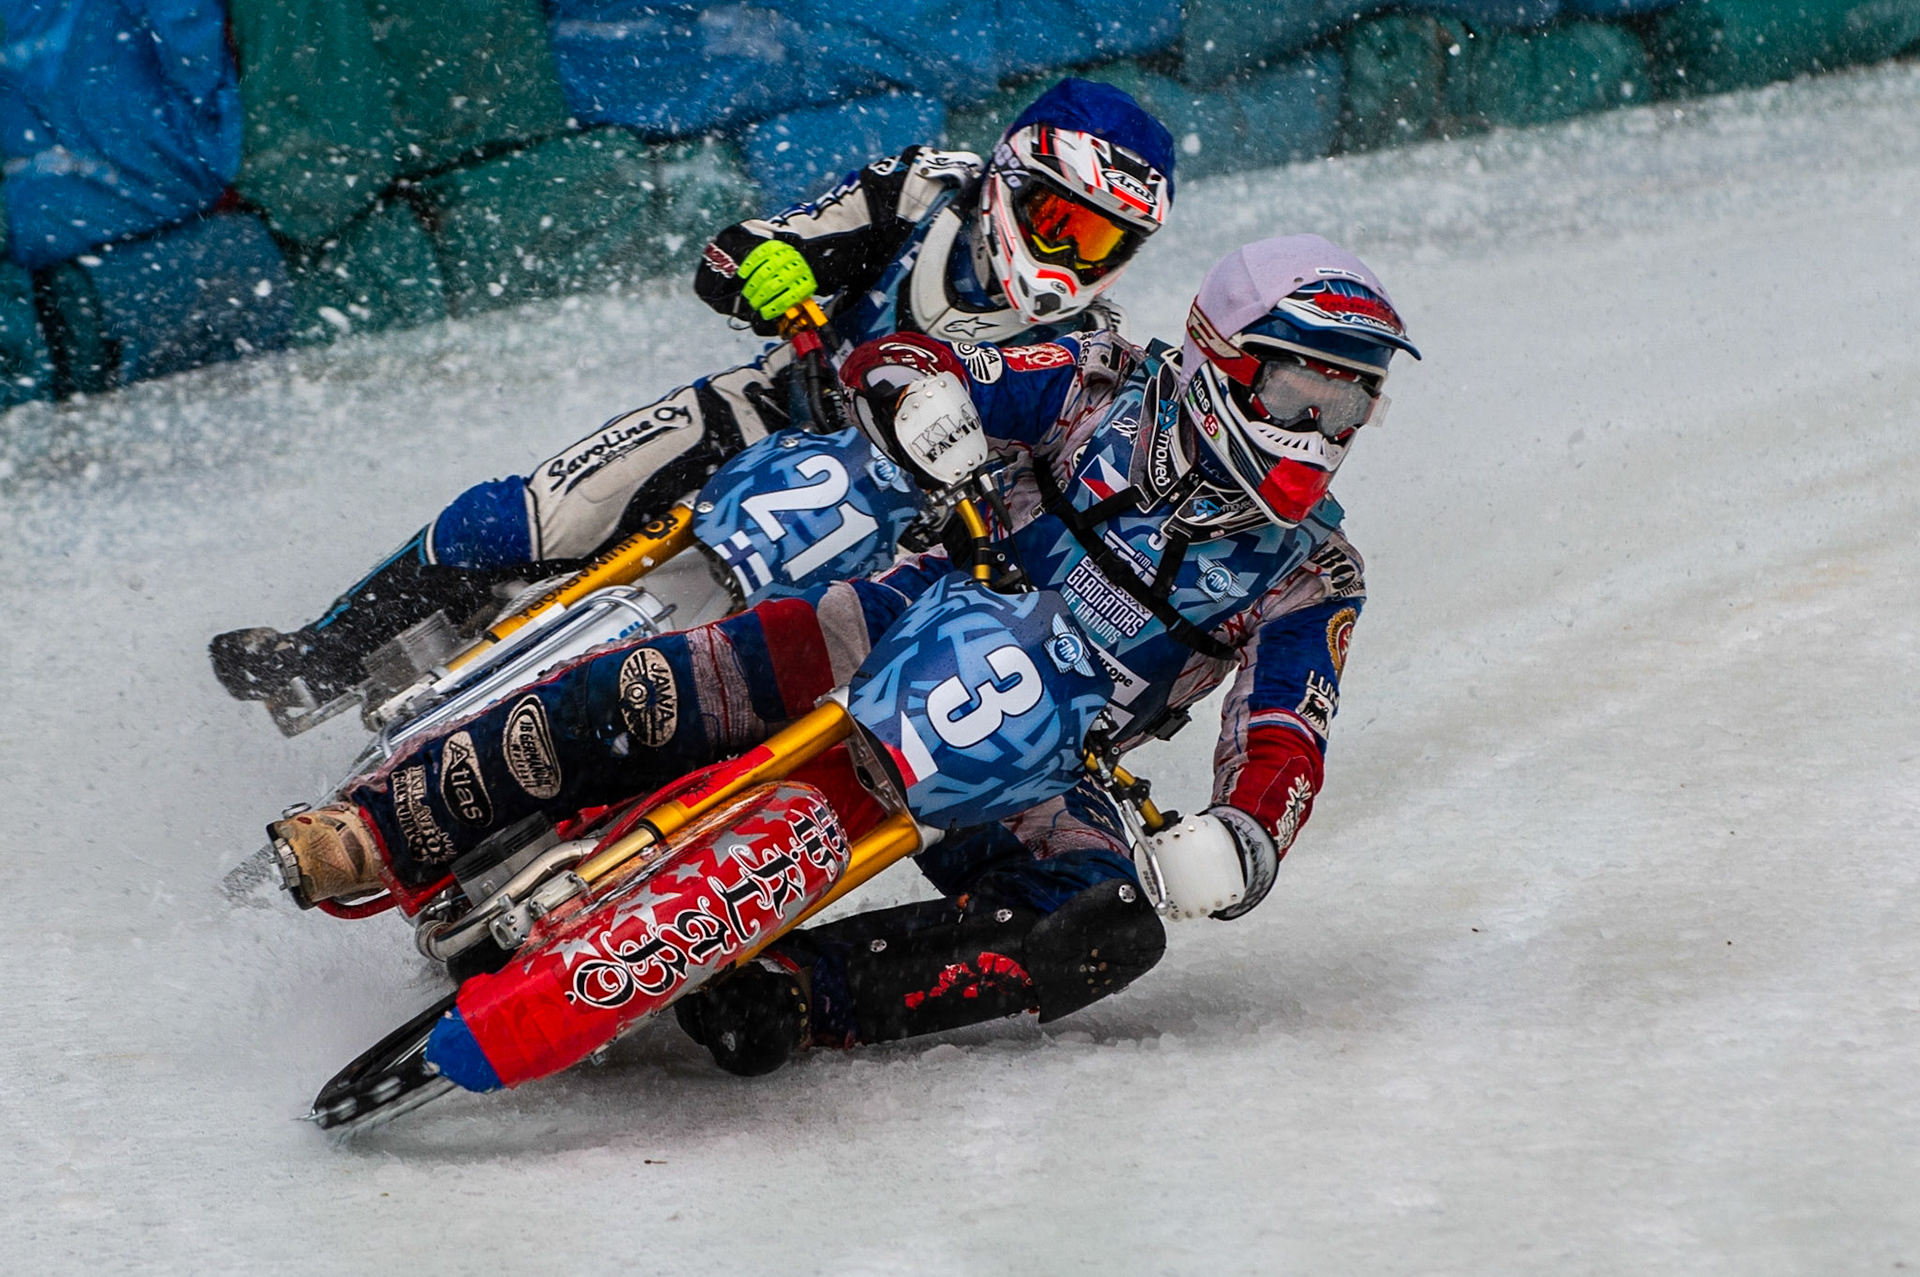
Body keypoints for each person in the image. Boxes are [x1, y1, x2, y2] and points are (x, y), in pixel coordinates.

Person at [272, 233, 1417, 1076]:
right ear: (1223, 360)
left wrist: (1245, 834)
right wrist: (925, 402)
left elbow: (1286, 729)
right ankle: (378, 824)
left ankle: (795, 992)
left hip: (1045, 758)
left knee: (1106, 922)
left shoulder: (1314, 570)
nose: (1321, 428)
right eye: (1303, 388)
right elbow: (931, 359)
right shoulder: (1090, 384)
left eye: (1349, 402)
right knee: (656, 684)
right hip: (894, 618)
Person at [210, 78, 1177, 713]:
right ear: (1008, 181)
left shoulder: (1088, 350)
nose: (1067, 258)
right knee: (528, 516)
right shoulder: (920, 190)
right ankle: (323, 653)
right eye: (1056, 220)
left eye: (1099, 244)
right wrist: (765, 271)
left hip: (886, 526)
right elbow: (739, 248)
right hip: (768, 408)